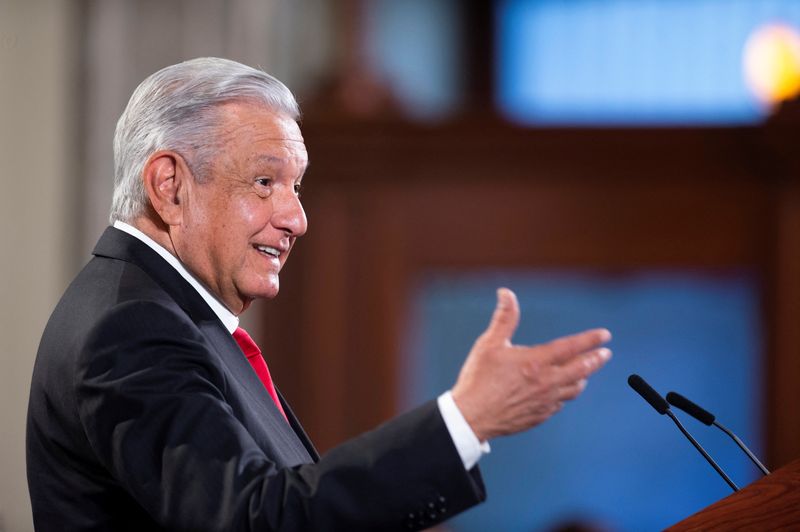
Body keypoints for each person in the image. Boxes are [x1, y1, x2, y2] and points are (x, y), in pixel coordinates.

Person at [26, 57, 612, 531]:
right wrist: (465, 420)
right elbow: (254, 519)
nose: (297, 218)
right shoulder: (131, 328)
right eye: (265, 182)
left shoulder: (161, 313)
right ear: (170, 185)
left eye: (296, 186)